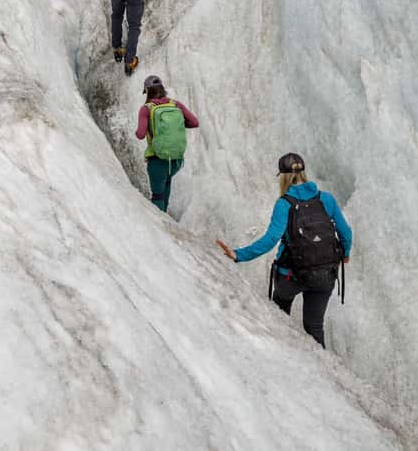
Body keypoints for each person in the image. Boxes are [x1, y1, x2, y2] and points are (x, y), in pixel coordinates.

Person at [216, 152, 352, 349]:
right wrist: (345, 254)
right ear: (303, 173)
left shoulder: (284, 204)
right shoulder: (326, 199)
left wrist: (239, 254)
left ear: (283, 177)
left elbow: (271, 240)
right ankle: (324, 373)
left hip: (291, 277)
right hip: (325, 275)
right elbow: (346, 233)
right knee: (314, 327)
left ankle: (280, 354)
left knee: (278, 318)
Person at [136, 74, 199, 212]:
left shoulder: (147, 109)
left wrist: (148, 127)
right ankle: (165, 216)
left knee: (157, 196)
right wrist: (178, 125)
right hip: (175, 160)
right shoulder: (175, 104)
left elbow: (140, 134)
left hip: (157, 160)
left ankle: (160, 226)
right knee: (166, 186)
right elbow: (195, 122)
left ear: (147, 91)